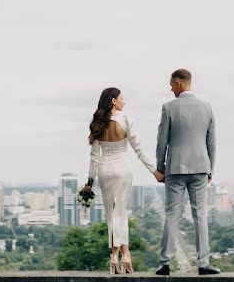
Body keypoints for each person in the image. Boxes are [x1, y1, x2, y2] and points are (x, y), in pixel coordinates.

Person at [84, 87, 165, 274]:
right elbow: (138, 149)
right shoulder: (127, 120)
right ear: (113, 100)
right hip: (123, 169)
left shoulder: (97, 123)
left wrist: (90, 182)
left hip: (105, 170)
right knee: (121, 212)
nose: (124, 101)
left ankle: (114, 256)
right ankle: (125, 255)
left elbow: (94, 156)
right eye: (121, 98)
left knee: (112, 214)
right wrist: (154, 171)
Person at [155, 69, 219, 275]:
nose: (170, 88)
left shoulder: (169, 108)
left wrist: (160, 167)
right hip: (201, 167)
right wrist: (210, 169)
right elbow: (211, 142)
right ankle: (204, 263)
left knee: (172, 215)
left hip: (175, 168)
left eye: (171, 84)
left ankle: (164, 263)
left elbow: (162, 141)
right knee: (200, 215)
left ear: (179, 83)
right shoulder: (206, 107)